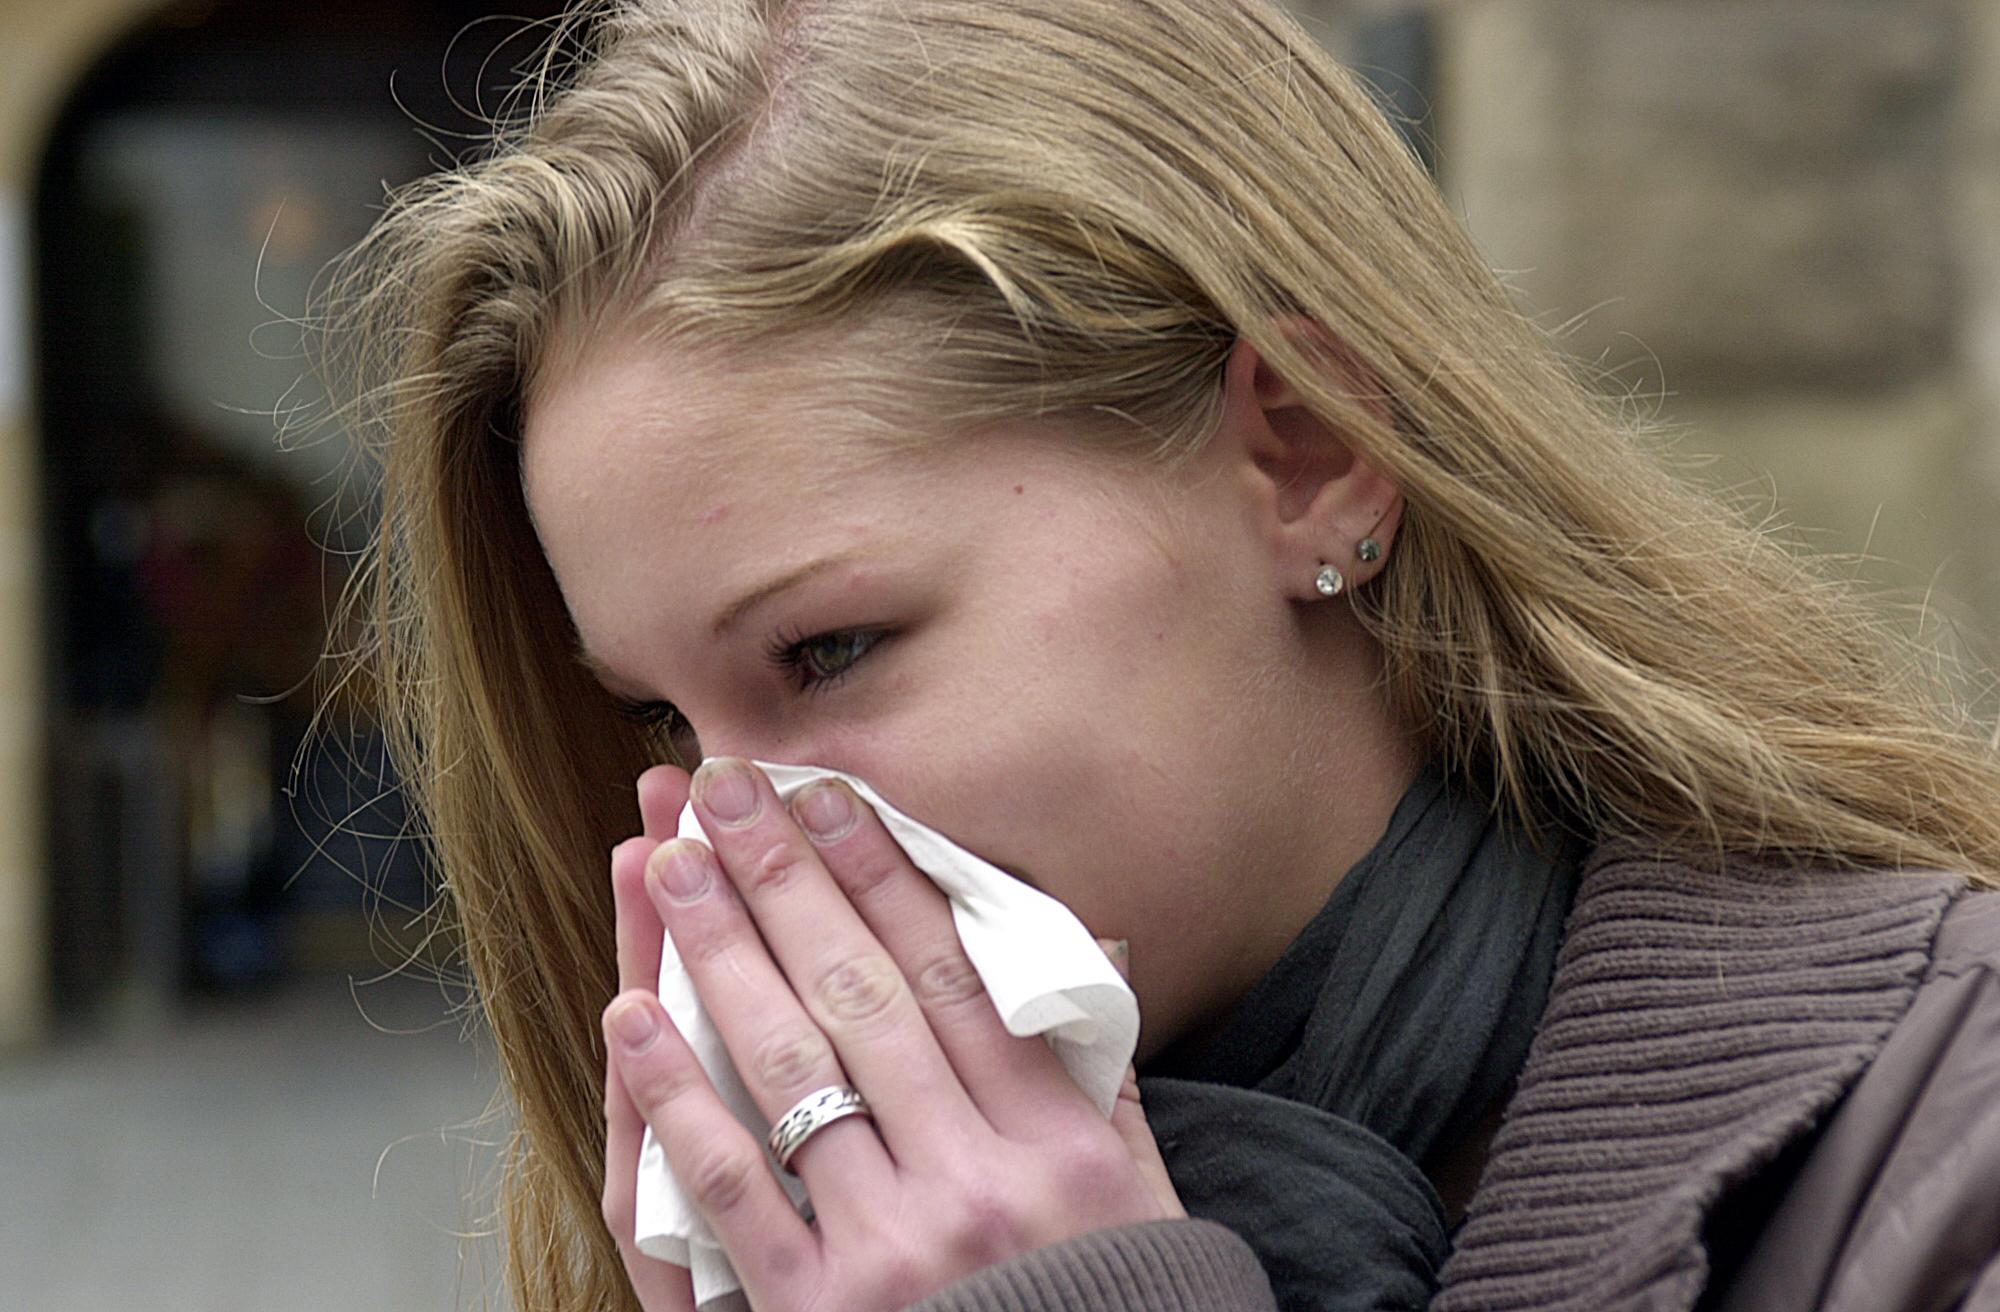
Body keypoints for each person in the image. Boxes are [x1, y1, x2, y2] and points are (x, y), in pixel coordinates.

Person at [315, 1, 2000, 1309]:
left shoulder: (1936, 1139)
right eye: (667, 722)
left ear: (1308, 455)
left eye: (829, 651)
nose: (731, 842)